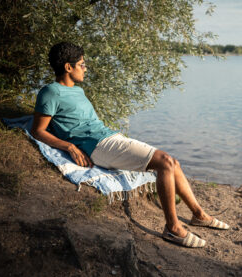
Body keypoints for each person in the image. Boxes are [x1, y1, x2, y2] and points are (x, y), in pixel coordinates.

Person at [31, 42, 229, 248]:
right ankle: (172, 228)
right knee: (165, 163)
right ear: (68, 67)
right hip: (98, 147)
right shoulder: (51, 92)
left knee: (173, 162)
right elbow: (38, 130)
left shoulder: (78, 91)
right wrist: (69, 147)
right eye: (82, 64)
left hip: (109, 138)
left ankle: (199, 215)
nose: (85, 68)